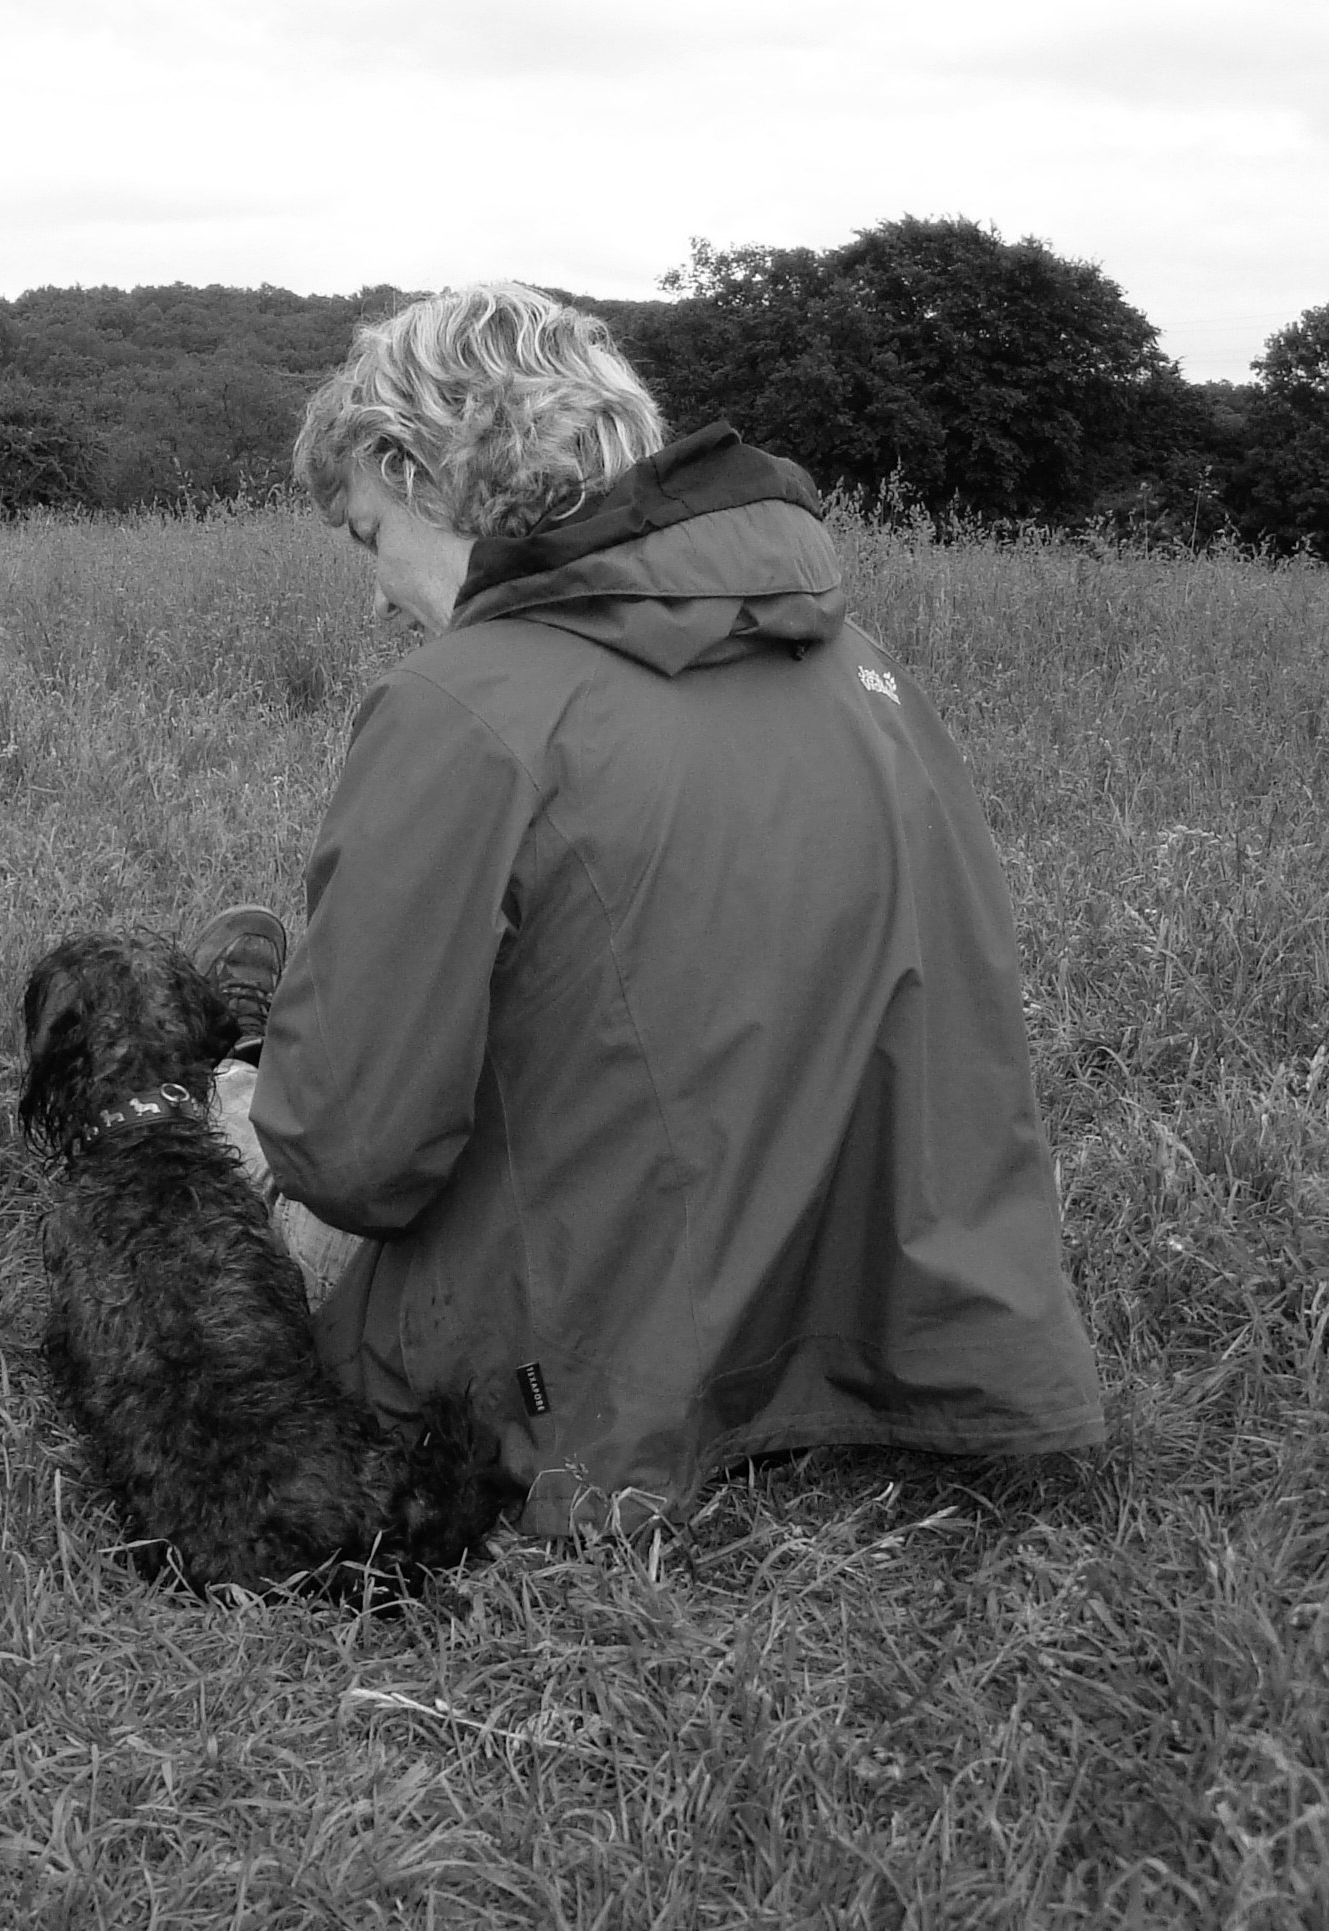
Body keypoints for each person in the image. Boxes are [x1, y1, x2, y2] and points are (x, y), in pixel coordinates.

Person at [196, 283, 1105, 1536]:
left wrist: (282, 1112)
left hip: (577, 1369)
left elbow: (352, 1156)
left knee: (230, 1124)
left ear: (415, 469)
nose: (376, 596)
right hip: (887, 1316)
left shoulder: (464, 706)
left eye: (368, 537)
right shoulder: (861, 669)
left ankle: (227, 1054)